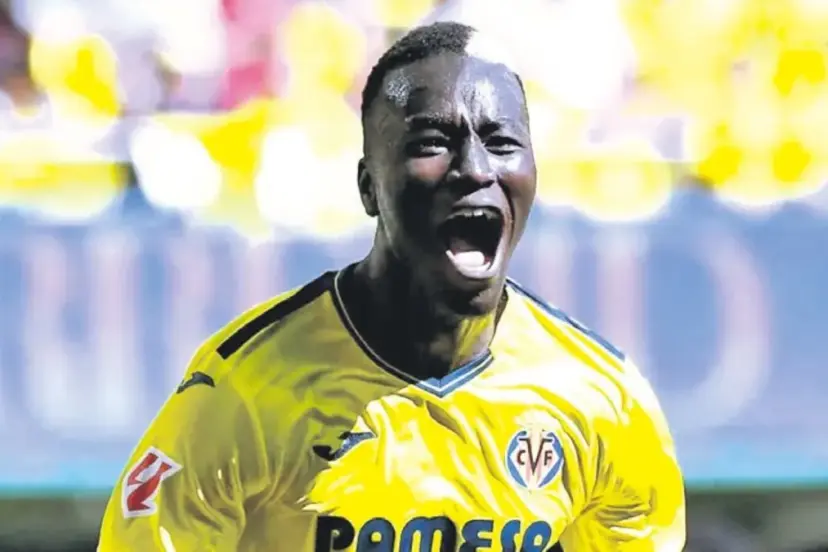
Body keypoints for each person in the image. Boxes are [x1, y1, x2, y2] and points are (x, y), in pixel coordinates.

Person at [98, 21, 685, 551]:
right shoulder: (244, 393)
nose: (476, 169)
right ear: (369, 187)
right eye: (432, 143)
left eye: (502, 143)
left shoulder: (604, 399)